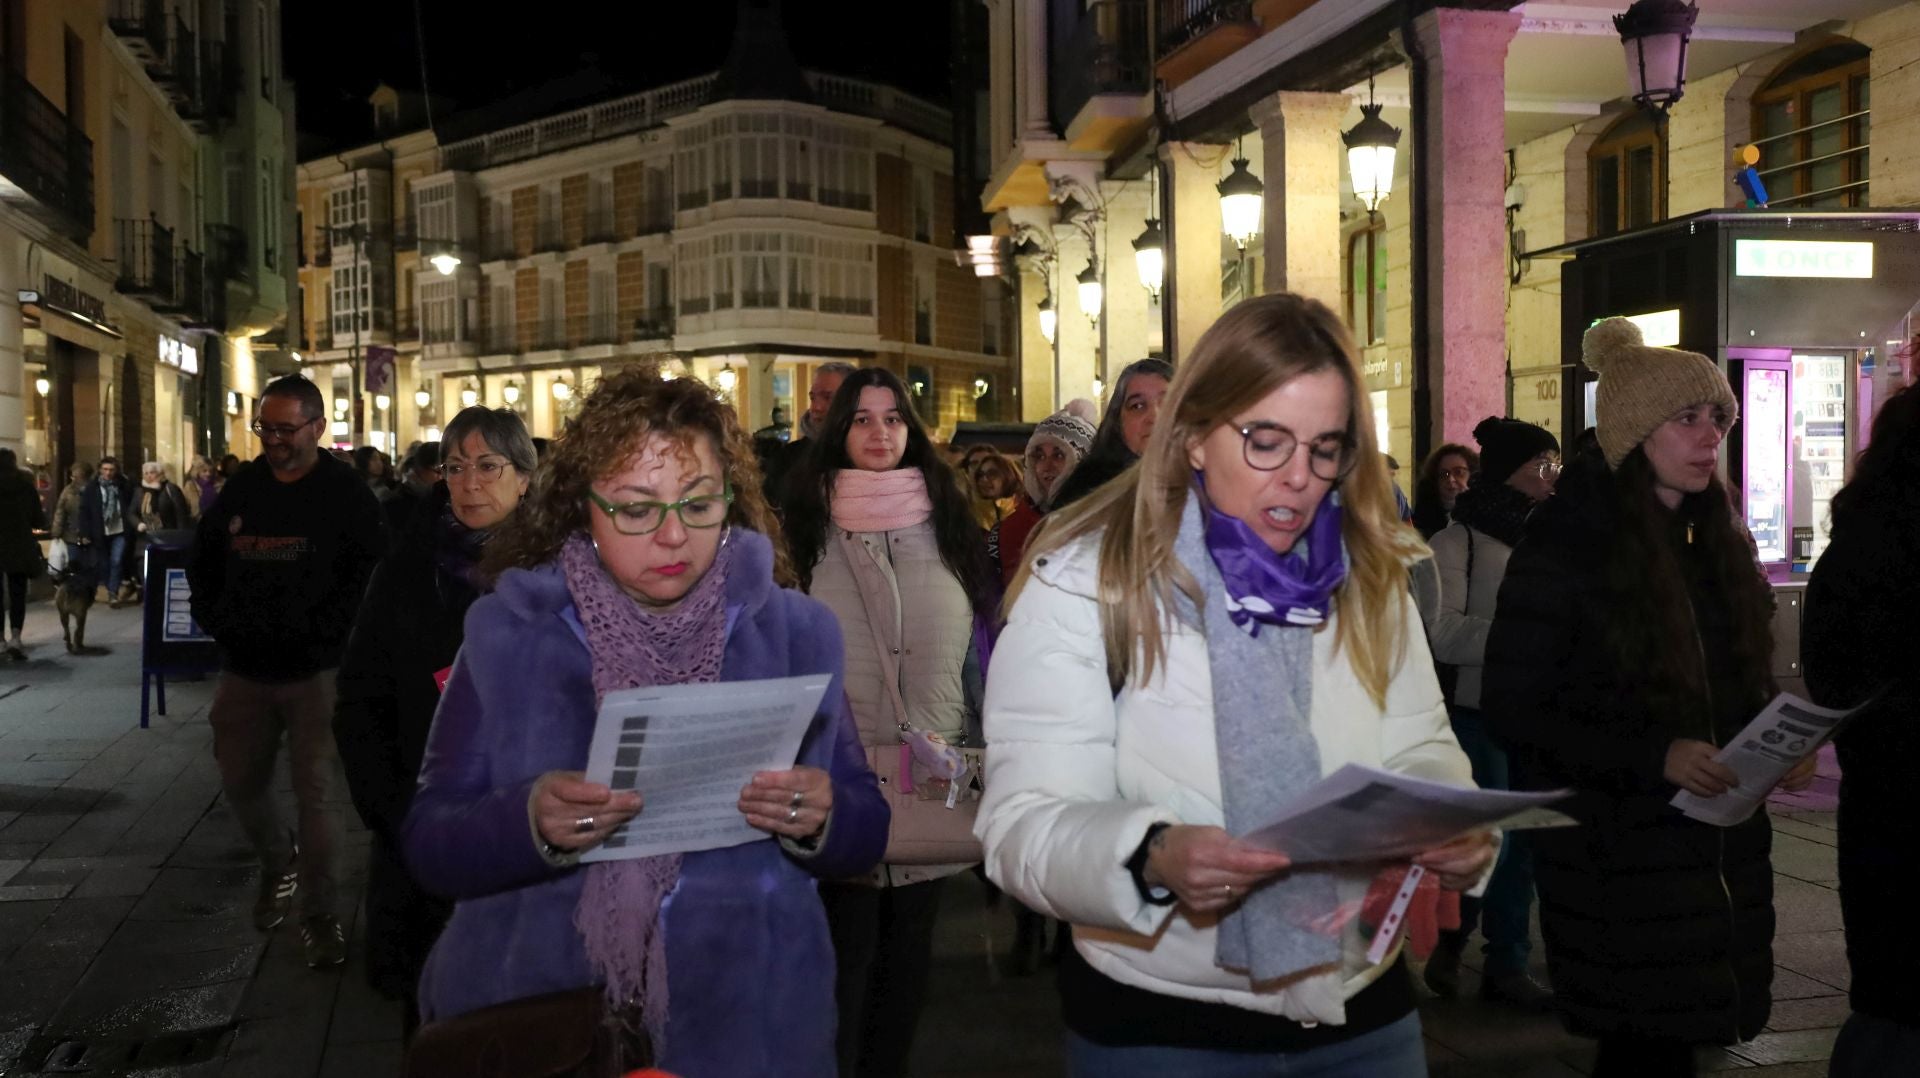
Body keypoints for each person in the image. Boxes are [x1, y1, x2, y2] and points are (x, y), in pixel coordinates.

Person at [977, 293, 1488, 1076]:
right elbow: (1020, 823)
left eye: (1326, 448)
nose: (1299, 478)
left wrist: (1445, 824)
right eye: (1265, 441)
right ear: (1189, 438)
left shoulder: (1370, 577)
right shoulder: (1085, 582)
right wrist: (1149, 856)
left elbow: (1421, 743)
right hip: (1161, 1030)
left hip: (1362, 1010)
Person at [402, 367, 886, 1076]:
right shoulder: (511, 636)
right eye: (635, 509)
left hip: (748, 1026)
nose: (671, 536)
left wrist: (824, 815)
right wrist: (527, 821)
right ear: (581, 509)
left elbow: (866, 826)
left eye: (698, 505)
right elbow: (427, 840)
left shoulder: (794, 633)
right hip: (550, 1023)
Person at [1482, 318, 1814, 1077]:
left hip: (1714, 852)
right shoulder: (1567, 545)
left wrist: (1775, 743)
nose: (1710, 438)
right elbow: (1516, 704)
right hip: (1617, 854)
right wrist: (1651, 755)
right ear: (1634, 433)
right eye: (1688, 419)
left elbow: (1730, 680)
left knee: (1678, 1044)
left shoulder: (1714, 540)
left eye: (1718, 420)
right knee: (1640, 1049)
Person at [780, 367, 995, 1077]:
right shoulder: (804, 523)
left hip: (928, 772)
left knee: (908, 971)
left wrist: (978, 747)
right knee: (843, 966)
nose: (879, 433)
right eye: (862, 419)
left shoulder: (952, 522)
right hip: (837, 778)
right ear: (837, 429)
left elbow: (977, 653)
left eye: (893, 418)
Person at [334, 407, 534, 1035]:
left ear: (525, 476)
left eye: (488, 465)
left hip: (532, 831)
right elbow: (361, 703)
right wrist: (397, 818)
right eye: (454, 466)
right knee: (434, 1022)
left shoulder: (568, 571)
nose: (470, 482)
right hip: (427, 830)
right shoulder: (406, 570)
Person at [187, 375, 387, 970]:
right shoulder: (243, 488)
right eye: (264, 428)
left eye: (284, 429)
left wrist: (338, 641)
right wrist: (219, 622)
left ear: (317, 428)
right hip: (245, 670)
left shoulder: (346, 495)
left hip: (317, 674)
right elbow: (205, 560)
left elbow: (372, 579)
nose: (273, 440)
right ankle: (279, 859)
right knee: (240, 780)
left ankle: (320, 914)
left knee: (317, 795)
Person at [1417, 417, 1559, 1008]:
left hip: (1537, 712)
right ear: (1509, 473)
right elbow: (1441, 633)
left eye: (1555, 466)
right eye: (1540, 467)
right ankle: (1457, 944)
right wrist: (1525, 635)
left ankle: (1506, 962)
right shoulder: (1454, 544)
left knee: (1522, 846)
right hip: (1476, 714)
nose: (1552, 479)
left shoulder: (1550, 536)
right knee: (1487, 843)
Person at [1803, 383, 1920, 1077]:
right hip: (1899, 809)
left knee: (1890, 1001)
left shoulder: (1850, 553)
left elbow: (1831, 680)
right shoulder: (1877, 557)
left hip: (1880, 812)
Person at [988, 401, 1096, 587]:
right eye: (1039, 456)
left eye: (1059, 455)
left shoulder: (1102, 522)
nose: (1046, 466)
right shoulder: (1005, 532)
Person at [1051, 358, 1173, 510]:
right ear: (1118, 423)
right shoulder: (1087, 496)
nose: (1154, 417)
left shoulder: (1205, 484)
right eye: (1138, 406)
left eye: (1168, 402)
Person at [763, 361, 855, 507]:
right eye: (813, 398)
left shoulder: (865, 457)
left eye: (828, 397)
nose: (816, 407)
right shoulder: (790, 458)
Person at [50, 462, 102, 655]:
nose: (74, 478)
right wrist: (56, 532)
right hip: (72, 537)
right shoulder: (68, 492)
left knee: (91, 571)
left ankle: (86, 598)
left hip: (92, 538)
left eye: (77, 475)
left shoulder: (95, 490)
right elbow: (60, 512)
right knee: (74, 570)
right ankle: (73, 599)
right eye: (73, 475)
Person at [0, 449, 46, 661]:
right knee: (17, 593)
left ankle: (0, 640)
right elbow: (38, 519)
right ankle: (16, 637)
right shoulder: (25, 487)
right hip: (18, 546)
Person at [77, 455, 137, 608]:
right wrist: (84, 533)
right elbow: (84, 511)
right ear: (100, 470)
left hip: (119, 530)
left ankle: (113, 593)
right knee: (104, 564)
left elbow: (131, 505)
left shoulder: (123, 485)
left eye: (111, 469)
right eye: (105, 469)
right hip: (100, 531)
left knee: (116, 561)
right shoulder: (92, 487)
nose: (108, 473)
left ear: (116, 470)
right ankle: (110, 587)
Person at [1411, 443, 1479, 540]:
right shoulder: (1422, 522)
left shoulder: (1484, 519)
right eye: (1444, 474)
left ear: (1473, 475)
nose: (1451, 479)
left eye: (1459, 472)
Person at [384, 441, 442, 540]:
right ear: (420, 468)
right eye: (439, 471)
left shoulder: (445, 500)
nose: (443, 478)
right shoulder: (395, 502)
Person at [966, 450, 1021, 531]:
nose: (984, 479)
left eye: (992, 474)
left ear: (1008, 477)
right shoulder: (969, 514)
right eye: (980, 475)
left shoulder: (1024, 510)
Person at [135, 462, 193, 536]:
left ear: (160, 474)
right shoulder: (140, 491)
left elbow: (181, 514)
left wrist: (181, 535)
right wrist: (138, 524)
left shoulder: (170, 488)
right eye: (146, 473)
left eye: (152, 473)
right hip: (148, 535)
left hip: (169, 534)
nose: (149, 476)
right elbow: (132, 512)